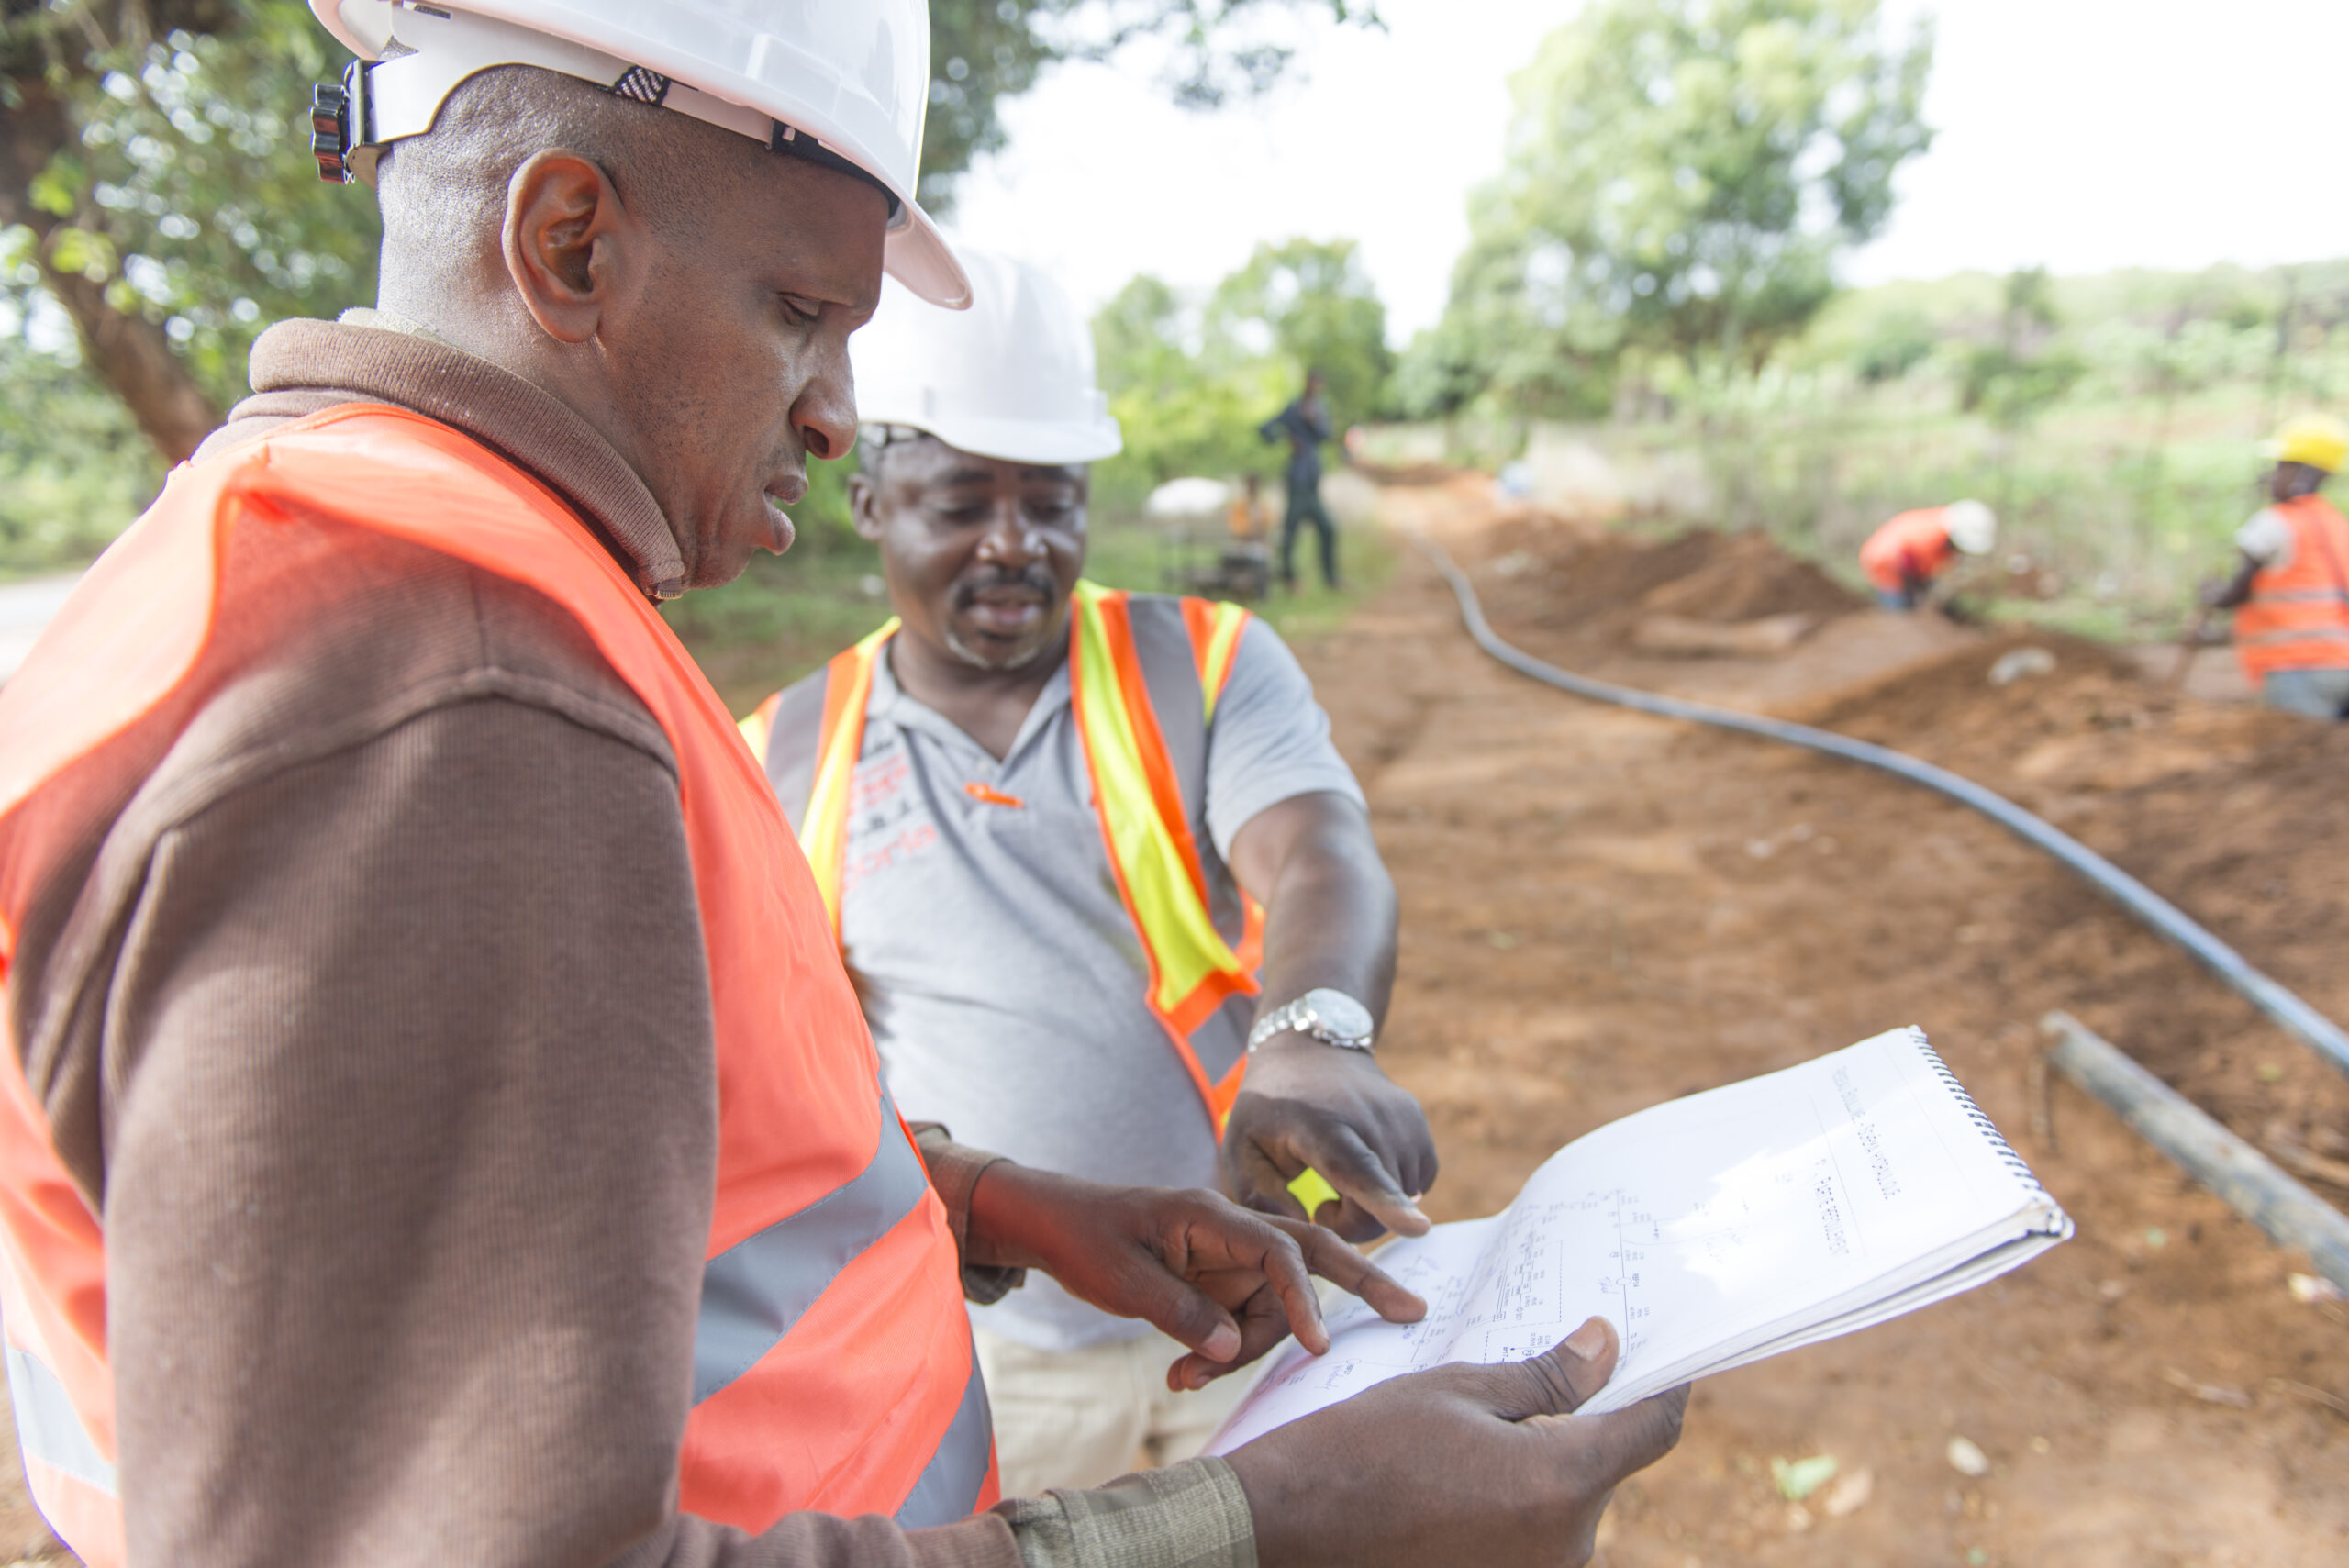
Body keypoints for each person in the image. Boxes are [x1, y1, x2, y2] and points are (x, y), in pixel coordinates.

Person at [0, 4, 1687, 1566]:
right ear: (569, 239)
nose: (836, 417)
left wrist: (985, 1198)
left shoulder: (369, 569)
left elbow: (608, 1167)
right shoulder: (453, 701)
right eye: (803, 314)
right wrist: (1269, 1522)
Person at [738, 247, 1438, 1498]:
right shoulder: (782, 757)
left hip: (1261, 1299)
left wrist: (1314, 1030)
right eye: (961, 504)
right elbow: (790, 1077)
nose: (1014, 546)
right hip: (991, 1351)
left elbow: (1320, 849)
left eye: (1051, 501)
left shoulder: (1201, 662)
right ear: (870, 503)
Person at [2199, 414, 2349, 719]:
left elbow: (2237, 591)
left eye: (2282, 466)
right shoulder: (2337, 524)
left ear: (2306, 473)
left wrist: (2212, 595)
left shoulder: (2275, 521)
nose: (2272, 475)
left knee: (2302, 757)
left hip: (2298, 667)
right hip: (2342, 661)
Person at [1258, 373, 1341, 590]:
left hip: (1312, 482)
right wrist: (1286, 438)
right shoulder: (1293, 409)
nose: (1316, 388)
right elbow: (1265, 429)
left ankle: (1331, 579)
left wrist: (1315, 420)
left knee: (1327, 529)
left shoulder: (1319, 409)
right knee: (1290, 533)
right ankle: (1289, 578)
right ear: (1307, 384)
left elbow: (1326, 435)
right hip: (1296, 482)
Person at [1858, 498, 1998, 609]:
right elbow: (1902, 559)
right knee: (1901, 605)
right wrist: (1914, 587)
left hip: (1906, 563)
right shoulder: (1926, 536)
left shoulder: (1944, 538)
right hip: (1885, 563)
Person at [1228, 473, 1271, 542]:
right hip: (1243, 539)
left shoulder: (1263, 503)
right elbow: (1235, 525)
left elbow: (1269, 522)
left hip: (1260, 538)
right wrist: (1248, 529)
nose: (1253, 488)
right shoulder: (1240, 503)